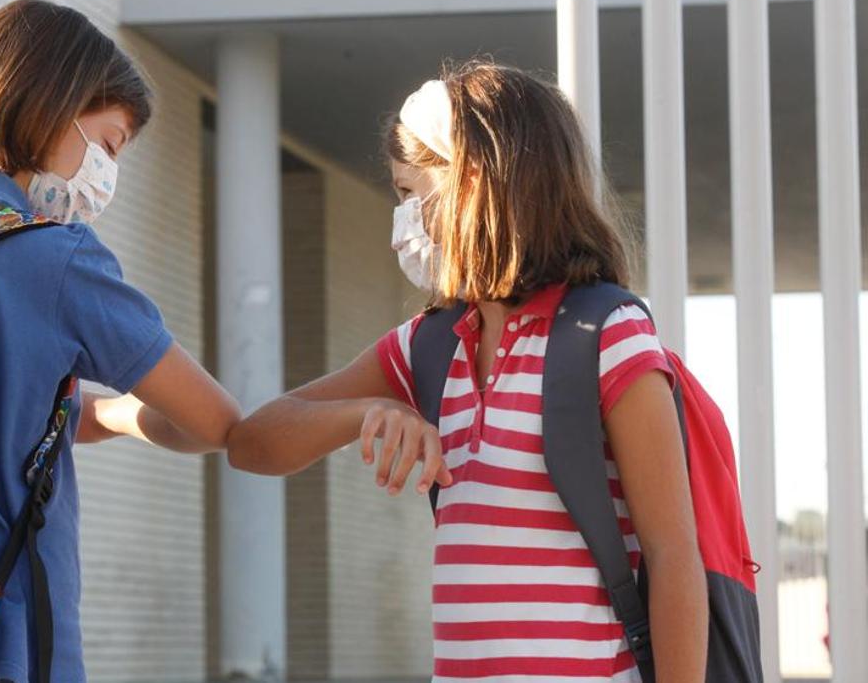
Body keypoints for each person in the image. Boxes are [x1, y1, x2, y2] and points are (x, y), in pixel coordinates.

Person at [227, 61, 708, 682]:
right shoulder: (428, 345)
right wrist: (372, 410)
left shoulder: (606, 334)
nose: (402, 225)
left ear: (473, 181)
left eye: (411, 194)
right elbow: (253, 443)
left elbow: (673, 556)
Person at [0, 0, 239, 682]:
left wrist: (106, 414)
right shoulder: (52, 257)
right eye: (109, 145)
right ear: (52, 105)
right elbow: (215, 421)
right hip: (3, 648)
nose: (105, 174)